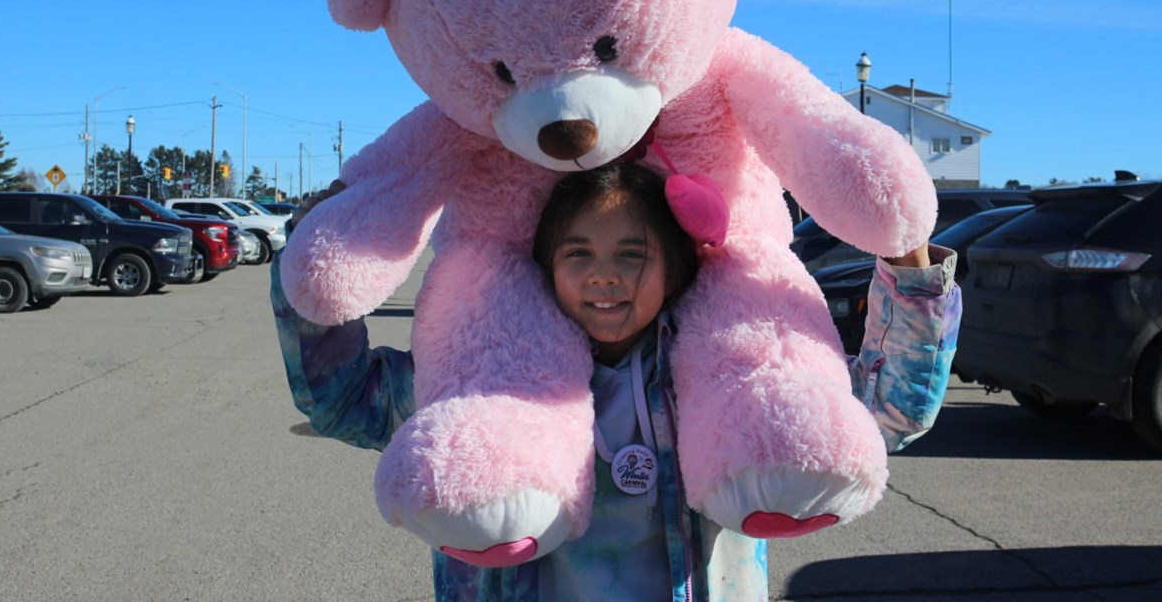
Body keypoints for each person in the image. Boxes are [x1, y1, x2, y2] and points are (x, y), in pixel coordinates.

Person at [272, 162, 960, 601]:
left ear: (676, 268)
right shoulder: (484, 384)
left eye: (633, 254)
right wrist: (310, 272)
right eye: (579, 254)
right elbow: (343, 399)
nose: (604, 274)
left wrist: (910, 273)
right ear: (544, 265)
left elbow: (887, 411)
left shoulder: (726, 384)